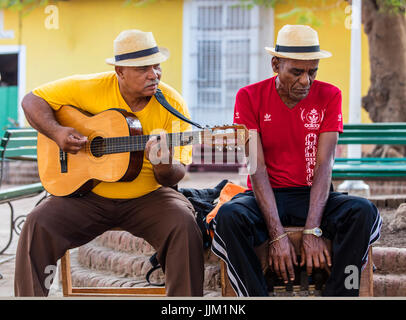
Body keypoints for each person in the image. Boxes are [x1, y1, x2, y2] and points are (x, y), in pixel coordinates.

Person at [14, 29, 204, 296]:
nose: (154, 75)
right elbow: (32, 100)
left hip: (149, 196)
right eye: (142, 69)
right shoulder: (90, 87)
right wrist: (57, 132)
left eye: (157, 66)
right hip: (88, 195)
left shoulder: (172, 103)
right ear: (120, 71)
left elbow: (175, 175)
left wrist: (163, 165)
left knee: (184, 225)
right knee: (37, 224)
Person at [211, 25, 382, 297]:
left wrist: (313, 230)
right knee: (229, 218)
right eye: (297, 72)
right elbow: (257, 168)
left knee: (364, 212)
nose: (306, 81)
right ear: (276, 64)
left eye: (312, 72)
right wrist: (277, 235)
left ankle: (341, 294)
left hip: (313, 195)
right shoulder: (249, 96)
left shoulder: (330, 95)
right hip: (266, 194)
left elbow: (325, 165)